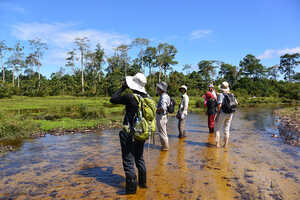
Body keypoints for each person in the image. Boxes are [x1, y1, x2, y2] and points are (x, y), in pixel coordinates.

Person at [110, 73, 149, 194]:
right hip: (141, 133)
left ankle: (131, 192)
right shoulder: (147, 98)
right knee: (140, 159)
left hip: (129, 133)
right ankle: (143, 185)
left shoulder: (130, 97)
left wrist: (122, 87)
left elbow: (113, 99)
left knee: (128, 162)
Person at [214, 81, 238, 148]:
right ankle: (225, 145)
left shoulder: (221, 95)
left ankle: (217, 144)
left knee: (217, 129)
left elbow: (219, 105)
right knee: (226, 129)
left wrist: (217, 115)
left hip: (222, 113)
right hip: (230, 113)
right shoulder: (232, 95)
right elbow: (236, 103)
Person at [156, 81, 170, 151]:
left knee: (163, 133)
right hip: (164, 116)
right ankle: (164, 147)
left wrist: (156, 110)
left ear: (161, 89)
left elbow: (163, 107)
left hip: (161, 117)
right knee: (164, 132)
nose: (157, 89)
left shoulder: (163, 96)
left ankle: (165, 148)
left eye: (158, 88)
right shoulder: (166, 95)